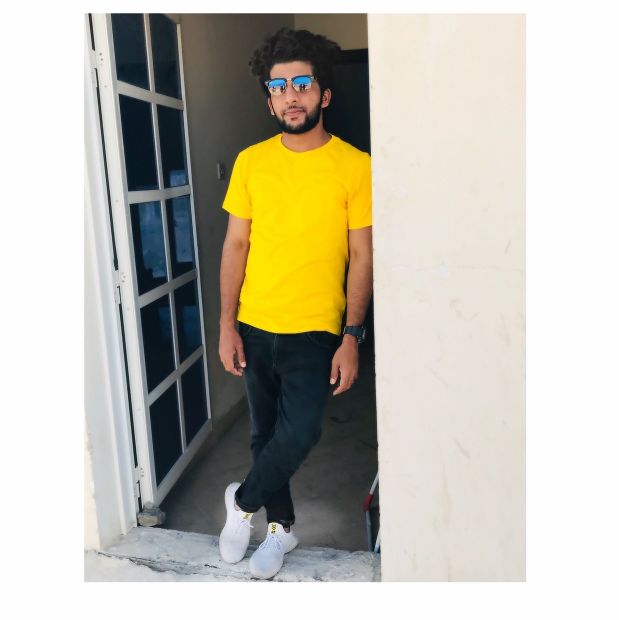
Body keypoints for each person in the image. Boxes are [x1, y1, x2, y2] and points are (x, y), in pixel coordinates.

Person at [217, 27, 373, 580]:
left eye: (301, 83)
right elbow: (236, 245)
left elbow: (362, 253)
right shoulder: (251, 162)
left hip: (315, 329)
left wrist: (352, 336)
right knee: (264, 435)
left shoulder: (356, 165)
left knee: (300, 431)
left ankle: (241, 502)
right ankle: (281, 528)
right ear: (269, 100)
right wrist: (226, 324)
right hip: (255, 323)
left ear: (323, 94)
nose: (290, 95)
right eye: (278, 86)